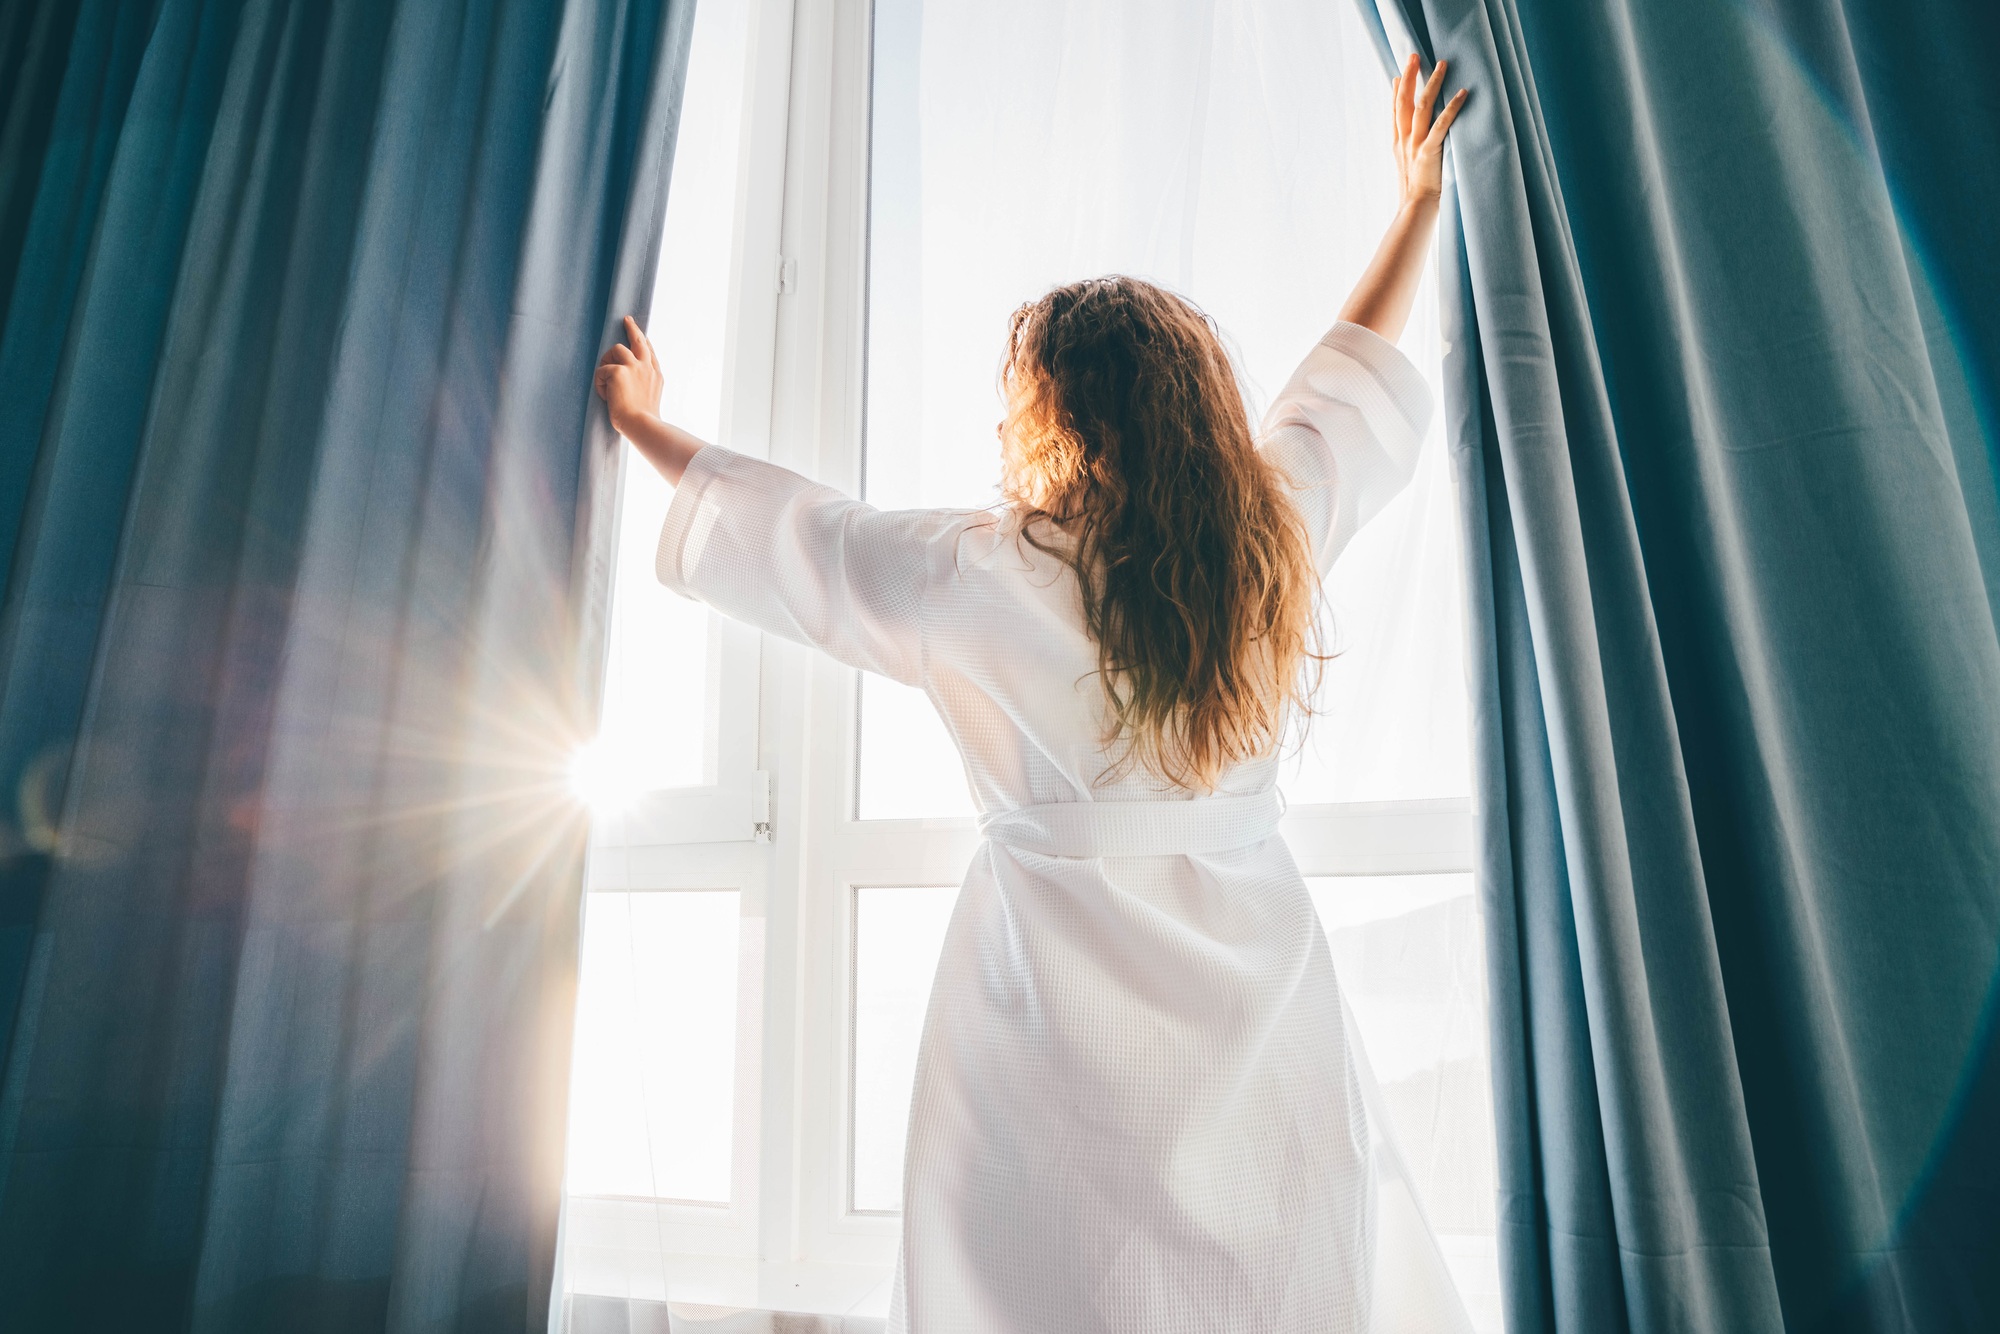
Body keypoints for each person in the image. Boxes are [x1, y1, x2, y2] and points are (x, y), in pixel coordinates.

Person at [596, 54, 1471, 1334]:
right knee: (1280, 1268)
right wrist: (1414, 207)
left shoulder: (982, 575)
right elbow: (1339, 382)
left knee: (1040, 1274)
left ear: (1056, 414)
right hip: (1257, 993)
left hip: (1045, 1009)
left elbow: (806, 534)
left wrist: (648, 428)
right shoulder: (1266, 544)